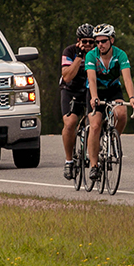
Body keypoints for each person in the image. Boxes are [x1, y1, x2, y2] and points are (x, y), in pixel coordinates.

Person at [84, 24, 134, 182]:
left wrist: (132, 97)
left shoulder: (120, 55)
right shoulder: (91, 55)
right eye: (97, 41)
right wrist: (94, 97)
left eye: (103, 41)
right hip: (96, 91)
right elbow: (91, 79)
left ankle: (112, 139)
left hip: (113, 89)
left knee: (122, 114)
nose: (100, 44)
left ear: (111, 40)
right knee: (95, 125)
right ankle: (94, 166)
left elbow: (127, 78)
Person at [59, 23, 95, 180]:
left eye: (91, 42)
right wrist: (79, 57)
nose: (88, 45)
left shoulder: (97, 52)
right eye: (84, 41)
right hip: (71, 90)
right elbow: (67, 76)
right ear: (78, 41)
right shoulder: (70, 51)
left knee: (95, 121)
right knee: (70, 123)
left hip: (89, 90)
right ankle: (69, 161)